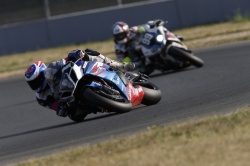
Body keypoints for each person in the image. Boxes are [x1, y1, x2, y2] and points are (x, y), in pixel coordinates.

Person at [24, 49, 135, 117]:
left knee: (88, 52)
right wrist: (60, 110)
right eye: (32, 84)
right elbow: (55, 106)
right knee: (74, 115)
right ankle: (99, 104)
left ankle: (120, 66)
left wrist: (75, 54)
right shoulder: (41, 98)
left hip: (74, 78)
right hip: (69, 99)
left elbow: (66, 60)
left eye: (36, 81)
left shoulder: (51, 70)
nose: (35, 85)